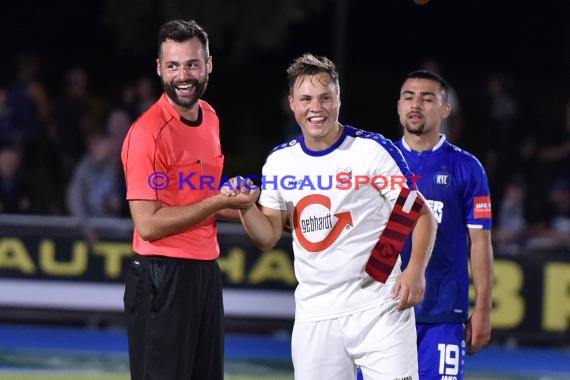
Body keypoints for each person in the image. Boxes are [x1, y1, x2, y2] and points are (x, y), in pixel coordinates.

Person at [226, 53, 437, 379]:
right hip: (316, 316)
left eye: (325, 97)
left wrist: (416, 270)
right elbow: (267, 235)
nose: (317, 107)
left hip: (380, 308)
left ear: (338, 99)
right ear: (292, 103)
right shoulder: (280, 162)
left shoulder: (371, 151)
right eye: (306, 99)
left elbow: (419, 212)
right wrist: (245, 208)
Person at [120, 19, 258, 380]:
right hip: (160, 276)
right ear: (159, 69)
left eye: (193, 64)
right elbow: (148, 225)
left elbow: (204, 198)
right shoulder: (147, 133)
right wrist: (217, 202)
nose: (184, 75)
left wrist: (253, 207)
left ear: (208, 65)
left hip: (205, 273)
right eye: (173, 65)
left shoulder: (210, 117)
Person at [394, 70, 494, 380]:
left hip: (444, 314)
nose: (416, 105)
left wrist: (483, 309)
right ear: (398, 105)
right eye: (409, 97)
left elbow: (480, 242)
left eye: (427, 98)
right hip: (384, 312)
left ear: (445, 109)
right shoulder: (379, 161)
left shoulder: (467, 167)